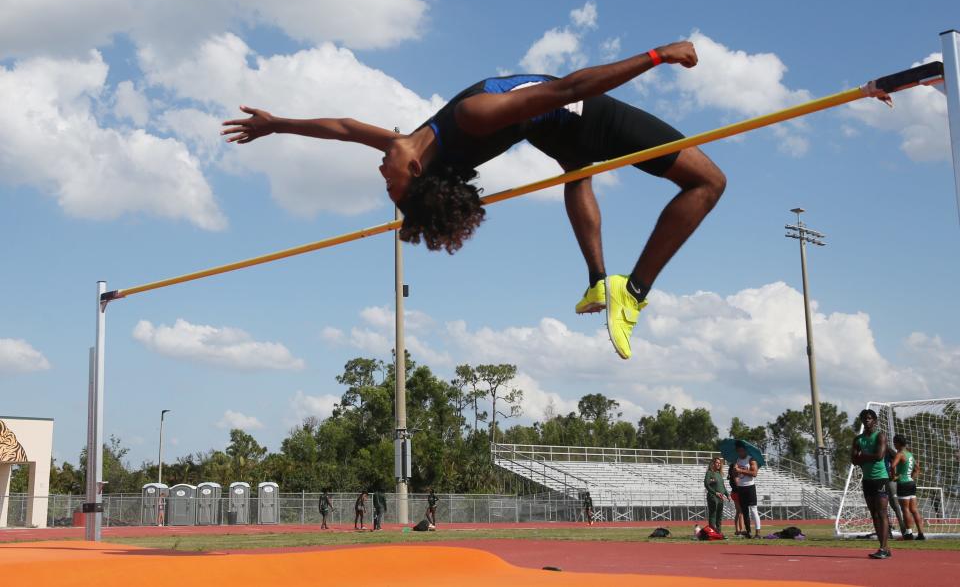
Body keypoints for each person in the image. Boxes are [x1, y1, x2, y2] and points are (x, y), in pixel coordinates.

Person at [222, 42, 723, 361]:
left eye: (387, 185)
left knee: (578, 171)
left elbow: (344, 129)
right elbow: (568, 86)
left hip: (558, 132)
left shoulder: (415, 140)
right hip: (583, 113)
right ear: (416, 173)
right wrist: (657, 56)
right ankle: (631, 292)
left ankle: (598, 283)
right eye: (391, 186)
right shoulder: (472, 118)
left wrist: (276, 124)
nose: (381, 176)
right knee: (708, 182)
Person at [851, 409, 892, 559]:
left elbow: (879, 456)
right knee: (874, 513)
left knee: (882, 513)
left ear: (874, 420)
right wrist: (864, 457)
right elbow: (854, 460)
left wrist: (863, 456)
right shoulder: (858, 439)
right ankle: (884, 548)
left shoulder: (880, 436)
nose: (866, 420)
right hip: (867, 480)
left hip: (880, 478)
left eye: (869, 418)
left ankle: (883, 547)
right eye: (864, 418)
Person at [889, 434, 926, 541]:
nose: (894, 444)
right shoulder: (910, 454)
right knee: (914, 510)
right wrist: (912, 477)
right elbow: (917, 468)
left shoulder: (900, 454)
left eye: (895, 442)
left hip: (903, 483)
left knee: (905, 509)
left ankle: (908, 534)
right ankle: (921, 534)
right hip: (911, 483)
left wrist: (894, 477)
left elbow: (892, 466)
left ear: (898, 443)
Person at [732, 441, 761, 538]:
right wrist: (735, 471)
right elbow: (735, 475)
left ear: (745, 450)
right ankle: (748, 532)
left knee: (753, 510)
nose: (740, 452)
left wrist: (740, 470)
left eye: (742, 450)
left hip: (750, 487)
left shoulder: (751, 460)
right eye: (738, 451)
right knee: (744, 511)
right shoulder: (737, 461)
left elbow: (754, 473)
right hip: (741, 488)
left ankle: (758, 533)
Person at [884, 447, 908, 538]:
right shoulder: (875, 451)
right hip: (879, 481)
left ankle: (904, 532)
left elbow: (900, 462)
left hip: (890, 481)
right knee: (882, 508)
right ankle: (887, 532)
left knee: (896, 507)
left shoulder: (888, 451)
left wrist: (895, 475)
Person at [704, 457, 728, 536]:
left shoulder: (719, 474)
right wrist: (715, 493)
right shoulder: (709, 473)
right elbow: (706, 484)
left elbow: (723, 487)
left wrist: (728, 495)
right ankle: (712, 532)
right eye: (717, 462)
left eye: (719, 463)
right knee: (713, 514)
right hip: (712, 497)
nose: (718, 464)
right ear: (713, 464)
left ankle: (718, 531)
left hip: (720, 498)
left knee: (719, 515)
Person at [727, 462, 746, 536]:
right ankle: (741, 529)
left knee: (738, 512)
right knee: (741, 512)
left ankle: (737, 530)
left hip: (734, 493)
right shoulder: (735, 475)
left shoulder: (732, 475)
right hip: (738, 493)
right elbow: (738, 484)